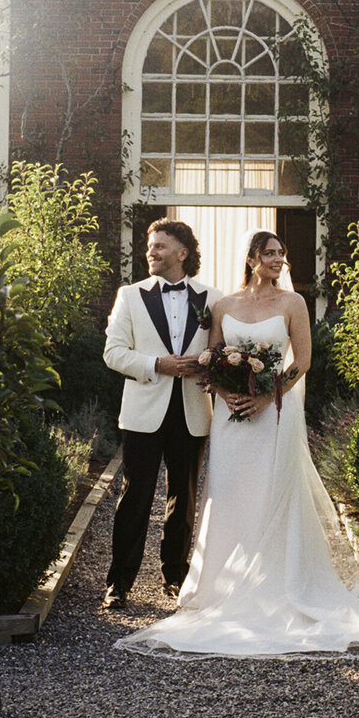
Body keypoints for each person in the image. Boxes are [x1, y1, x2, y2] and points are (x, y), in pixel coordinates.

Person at [115, 230, 359, 656]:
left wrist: (266, 397)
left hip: (273, 414)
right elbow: (213, 359)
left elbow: (303, 360)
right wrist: (227, 396)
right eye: (270, 253)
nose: (279, 260)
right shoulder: (221, 305)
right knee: (221, 496)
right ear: (251, 259)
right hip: (226, 416)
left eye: (281, 253)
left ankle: (269, 581)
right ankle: (186, 584)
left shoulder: (288, 303)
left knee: (253, 495)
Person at [102, 219, 221, 610]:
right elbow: (113, 353)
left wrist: (208, 367)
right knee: (134, 497)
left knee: (183, 499)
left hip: (191, 411)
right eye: (150, 246)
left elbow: (221, 354)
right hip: (143, 412)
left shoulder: (211, 298)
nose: (150, 252)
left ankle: (176, 577)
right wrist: (157, 364)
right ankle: (118, 583)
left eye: (159, 246)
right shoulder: (130, 295)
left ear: (182, 253)